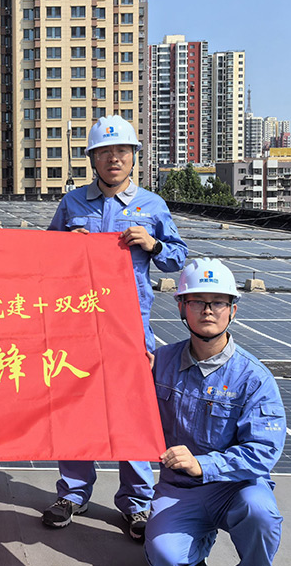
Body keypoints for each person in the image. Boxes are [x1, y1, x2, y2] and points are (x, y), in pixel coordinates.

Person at [42, 115, 188, 540]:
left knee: (132, 412)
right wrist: (64, 248)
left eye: (121, 150)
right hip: (78, 326)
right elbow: (45, 258)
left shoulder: (152, 206)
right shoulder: (72, 204)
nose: (113, 158)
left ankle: (137, 503)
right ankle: (73, 493)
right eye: (104, 152)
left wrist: (154, 244)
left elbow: (177, 259)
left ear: (133, 156)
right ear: (92, 158)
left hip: (129, 328)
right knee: (76, 407)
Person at [146, 258, 285, 566]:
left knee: (260, 512)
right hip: (181, 488)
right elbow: (123, 408)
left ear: (232, 311)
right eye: (197, 301)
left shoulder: (253, 377)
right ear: (182, 308)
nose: (208, 310)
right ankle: (197, 545)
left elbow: (264, 451)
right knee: (165, 559)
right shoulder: (159, 363)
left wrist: (203, 465)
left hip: (236, 487)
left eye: (218, 302)